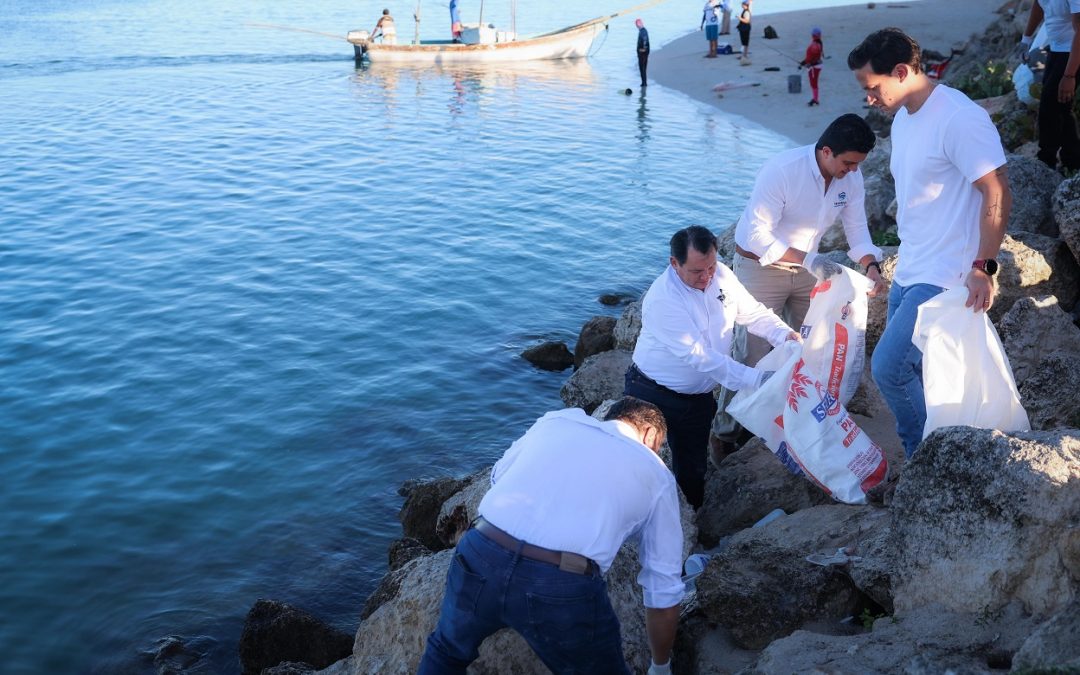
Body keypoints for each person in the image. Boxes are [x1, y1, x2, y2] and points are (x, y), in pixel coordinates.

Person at [417, 397, 684, 675]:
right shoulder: (656, 472)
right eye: (659, 447)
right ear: (651, 434)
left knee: (445, 652)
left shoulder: (557, 420)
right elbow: (663, 587)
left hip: (479, 549)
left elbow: (498, 476)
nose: (658, 454)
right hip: (560, 584)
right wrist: (660, 666)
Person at [848, 27, 1011, 458]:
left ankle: (925, 463)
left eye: (873, 88)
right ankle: (949, 449)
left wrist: (984, 267)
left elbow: (996, 191)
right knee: (919, 371)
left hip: (947, 273)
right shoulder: (903, 119)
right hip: (912, 266)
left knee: (889, 369)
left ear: (901, 71)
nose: (869, 99)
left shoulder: (958, 117)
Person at [709, 113, 885, 459]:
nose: (852, 171)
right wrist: (810, 261)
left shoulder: (851, 177)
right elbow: (759, 235)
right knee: (752, 353)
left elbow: (857, 229)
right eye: (848, 163)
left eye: (857, 165)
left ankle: (796, 426)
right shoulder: (782, 170)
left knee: (812, 348)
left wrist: (871, 265)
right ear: (826, 151)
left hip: (807, 270)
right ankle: (726, 435)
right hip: (759, 266)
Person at [625, 226, 800, 509]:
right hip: (651, 392)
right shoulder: (662, 299)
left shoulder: (722, 276)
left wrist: (784, 335)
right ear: (674, 263)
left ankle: (689, 527)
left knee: (693, 470)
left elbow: (753, 313)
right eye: (697, 271)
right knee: (638, 467)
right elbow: (700, 357)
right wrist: (757, 380)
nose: (706, 277)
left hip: (697, 399)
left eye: (711, 266)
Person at [1017, 0, 1080, 171]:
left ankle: (1046, 161)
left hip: (1072, 54)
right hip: (1056, 50)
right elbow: (1039, 5)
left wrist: (1069, 75)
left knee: (1049, 109)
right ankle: (1073, 161)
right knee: (1061, 107)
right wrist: (1026, 39)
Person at [800, 27, 825, 106]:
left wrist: (804, 62)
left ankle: (815, 99)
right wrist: (805, 62)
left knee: (813, 83)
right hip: (815, 65)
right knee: (814, 83)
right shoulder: (819, 43)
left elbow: (811, 58)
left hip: (814, 67)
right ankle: (815, 99)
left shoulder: (814, 45)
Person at [636, 18, 651, 88]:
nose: (637, 26)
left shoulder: (643, 31)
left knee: (642, 68)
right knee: (643, 68)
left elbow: (645, 41)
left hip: (643, 53)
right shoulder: (642, 31)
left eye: (637, 25)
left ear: (639, 24)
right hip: (644, 52)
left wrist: (641, 50)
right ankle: (644, 83)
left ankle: (644, 83)